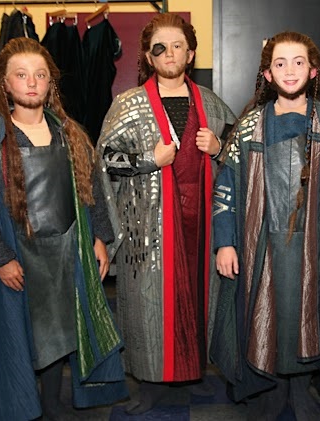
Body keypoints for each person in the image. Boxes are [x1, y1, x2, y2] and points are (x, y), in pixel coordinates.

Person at [0, 37, 127, 421]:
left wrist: (98, 238)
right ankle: (20, 406)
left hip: (65, 254)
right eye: (21, 75)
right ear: (5, 83)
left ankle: (52, 404)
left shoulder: (69, 134)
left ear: (50, 83)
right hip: (19, 256)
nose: (32, 82)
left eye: (40, 75)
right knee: (19, 333)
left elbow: (91, 189)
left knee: (60, 332)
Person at [211, 31, 320, 420]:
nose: (290, 70)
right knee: (268, 315)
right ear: (267, 74)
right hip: (260, 247)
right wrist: (225, 242)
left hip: (318, 246)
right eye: (280, 63)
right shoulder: (247, 128)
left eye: (299, 62)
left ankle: (301, 388)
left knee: (309, 314)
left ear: (313, 71)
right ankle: (273, 388)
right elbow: (225, 188)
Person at [96, 13, 236, 415]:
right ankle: (150, 381)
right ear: (148, 56)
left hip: (201, 224)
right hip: (148, 228)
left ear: (190, 54)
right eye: (161, 47)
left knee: (198, 297)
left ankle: (192, 371)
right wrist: (148, 160)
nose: (169, 53)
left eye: (178, 46)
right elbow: (103, 161)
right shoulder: (128, 104)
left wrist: (219, 149)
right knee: (151, 304)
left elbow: (242, 156)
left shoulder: (211, 103)